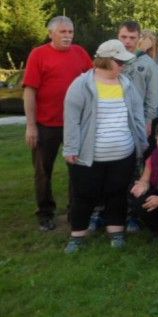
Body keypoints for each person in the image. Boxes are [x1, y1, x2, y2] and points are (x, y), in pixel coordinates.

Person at [62, 40, 148, 253]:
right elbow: (71, 120)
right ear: (106, 60)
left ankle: (116, 232)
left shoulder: (127, 84)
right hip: (88, 156)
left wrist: (141, 143)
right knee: (83, 195)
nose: (123, 66)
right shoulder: (81, 85)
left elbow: (137, 115)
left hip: (123, 155)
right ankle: (77, 235)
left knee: (116, 194)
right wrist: (71, 148)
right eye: (120, 62)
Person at [22, 16, 93, 231]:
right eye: (63, 32)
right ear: (51, 33)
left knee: (77, 169)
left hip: (75, 124)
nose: (67, 36)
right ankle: (45, 213)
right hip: (46, 125)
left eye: (70, 32)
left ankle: (75, 211)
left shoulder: (80, 53)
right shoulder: (38, 54)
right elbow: (29, 91)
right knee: (43, 172)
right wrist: (31, 125)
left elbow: (94, 80)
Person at [117, 20, 158, 233]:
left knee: (134, 170)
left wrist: (149, 120)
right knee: (110, 170)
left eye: (132, 38)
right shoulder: (109, 60)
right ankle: (106, 213)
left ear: (139, 38)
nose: (127, 41)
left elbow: (153, 97)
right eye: (123, 37)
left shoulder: (147, 63)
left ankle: (133, 215)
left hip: (136, 125)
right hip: (111, 122)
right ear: (118, 37)